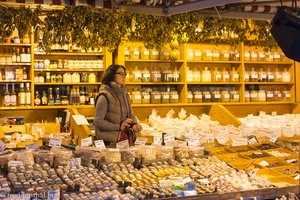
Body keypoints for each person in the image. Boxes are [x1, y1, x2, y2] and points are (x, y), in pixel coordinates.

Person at [94, 64, 142, 145]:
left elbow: (130, 114)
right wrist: (119, 126)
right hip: (110, 141)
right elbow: (98, 121)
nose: (123, 76)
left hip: (124, 139)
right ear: (111, 75)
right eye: (120, 74)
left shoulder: (124, 93)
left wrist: (134, 124)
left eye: (124, 74)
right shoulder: (104, 95)